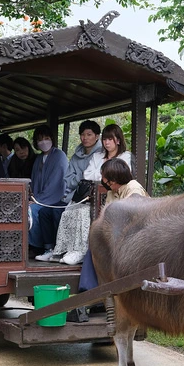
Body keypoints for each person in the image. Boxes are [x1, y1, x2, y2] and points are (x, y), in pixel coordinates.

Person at [47, 125, 134, 265]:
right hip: (90, 196)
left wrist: (101, 174)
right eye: (105, 139)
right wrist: (106, 174)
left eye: (110, 139)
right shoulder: (98, 155)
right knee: (69, 209)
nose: (106, 142)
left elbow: (121, 176)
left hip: (111, 198)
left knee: (83, 213)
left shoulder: (125, 156)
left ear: (118, 140)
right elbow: (87, 174)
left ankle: (81, 251)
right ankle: (65, 249)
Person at [35, 120, 104, 262]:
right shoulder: (76, 154)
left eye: (89, 134)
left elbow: (92, 177)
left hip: (87, 198)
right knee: (44, 212)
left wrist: (78, 177)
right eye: (82, 134)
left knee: (57, 212)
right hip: (71, 196)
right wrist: (81, 176)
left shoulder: (100, 154)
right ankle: (50, 248)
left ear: (97, 136)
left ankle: (64, 249)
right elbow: (68, 179)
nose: (85, 138)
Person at [77, 158, 149, 292]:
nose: (103, 180)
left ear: (113, 179)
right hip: (117, 237)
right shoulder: (112, 192)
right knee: (94, 248)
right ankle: (90, 290)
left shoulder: (134, 189)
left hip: (135, 237)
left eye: (105, 177)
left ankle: (90, 290)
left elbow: (134, 218)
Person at [28, 125, 68, 252]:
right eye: (40, 140)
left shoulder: (59, 156)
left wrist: (37, 200)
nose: (43, 142)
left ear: (52, 139)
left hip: (55, 199)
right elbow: (34, 182)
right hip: (39, 197)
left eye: (46, 138)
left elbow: (55, 184)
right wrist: (32, 197)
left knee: (32, 209)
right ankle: (31, 244)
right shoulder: (38, 158)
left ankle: (38, 245)